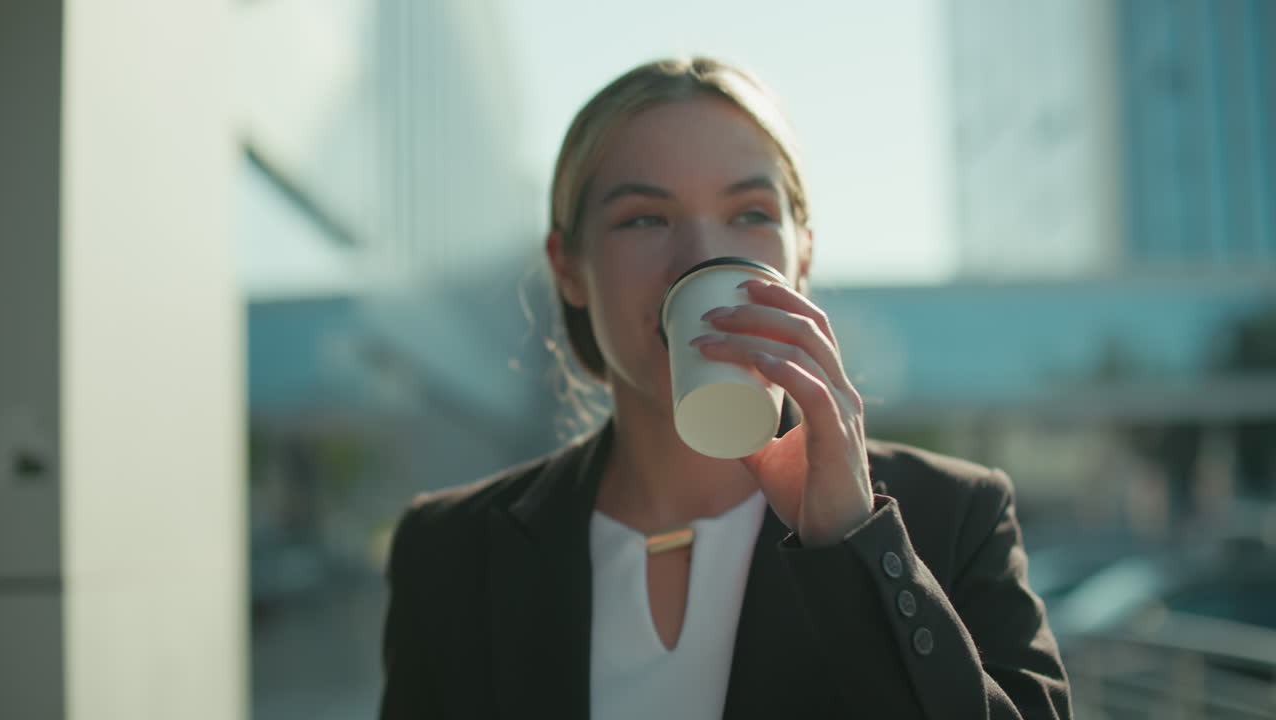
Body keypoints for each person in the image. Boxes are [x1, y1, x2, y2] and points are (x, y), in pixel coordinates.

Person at [380, 57, 1072, 719]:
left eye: (750, 214)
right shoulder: (448, 551)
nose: (702, 258)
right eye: (645, 218)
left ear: (801, 254)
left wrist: (852, 543)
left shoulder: (953, 518)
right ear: (568, 266)